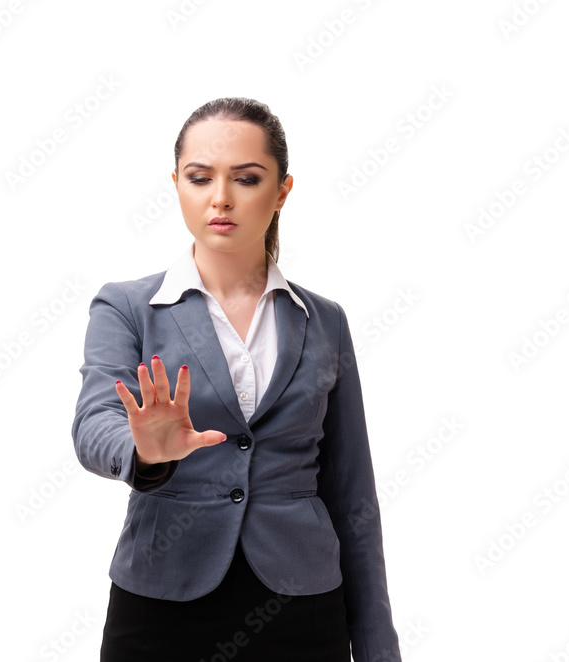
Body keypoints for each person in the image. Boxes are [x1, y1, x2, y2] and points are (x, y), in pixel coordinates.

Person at [72, 97, 402, 662]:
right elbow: (93, 423)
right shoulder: (128, 305)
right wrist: (145, 454)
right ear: (177, 183)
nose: (220, 197)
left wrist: (377, 649)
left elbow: (352, 495)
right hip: (162, 600)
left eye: (247, 179)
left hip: (301, 607)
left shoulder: (325, 321)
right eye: (200, 178)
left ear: (281, 191)